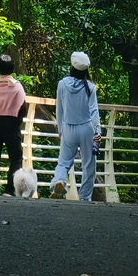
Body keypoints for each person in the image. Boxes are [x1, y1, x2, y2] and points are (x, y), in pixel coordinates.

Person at [50, 50, 101, 201]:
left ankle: (59, 181)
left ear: (72, 66)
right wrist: (97, 130)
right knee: (88, 164)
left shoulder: (62, 84)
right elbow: (94, 110)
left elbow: (59, 109)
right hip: (86, 128)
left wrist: (60, 129)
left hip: (68, 128)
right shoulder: (90, 87)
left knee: (64, 161)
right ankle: (85, 197)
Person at [0, 53, 27, 196]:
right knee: (15, 158)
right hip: (11, 122)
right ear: (12, 68)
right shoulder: (17, 87)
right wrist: (17, 122)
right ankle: (10, 189)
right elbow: (23, 108)